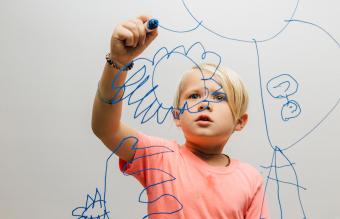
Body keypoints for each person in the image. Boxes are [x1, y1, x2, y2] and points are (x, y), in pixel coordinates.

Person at [92, 15, 270, 219]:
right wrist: (118, 62)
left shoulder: (250, 178)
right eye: (194, 95)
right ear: (177, 116)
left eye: (219, 97)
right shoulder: (159, 156)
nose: (205, 103)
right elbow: (106, 128)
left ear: (240, 121)